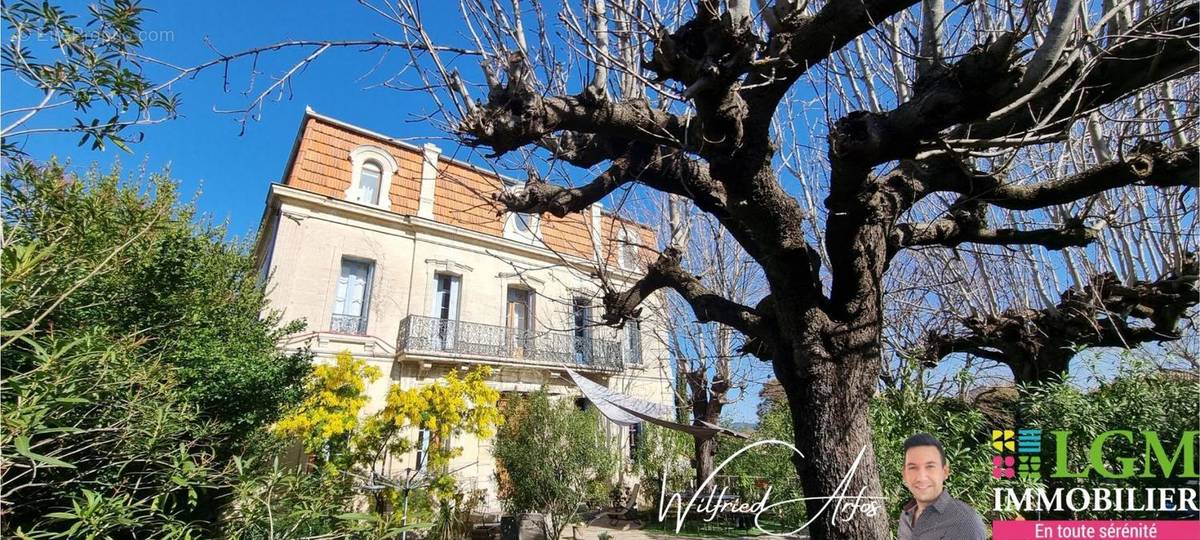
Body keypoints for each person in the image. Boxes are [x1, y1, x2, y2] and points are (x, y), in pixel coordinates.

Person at [898, 433, 987, 539]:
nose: (921, 477)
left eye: (930, 466)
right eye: (913, 467)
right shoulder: (906, 516)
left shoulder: (965, 523)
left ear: (945, 472)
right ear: (904, 474)